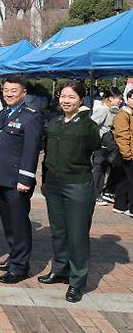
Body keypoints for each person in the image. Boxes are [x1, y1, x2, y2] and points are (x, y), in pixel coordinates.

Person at [40, 81, 100, 303]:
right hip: (54, 185)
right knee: (59, 232)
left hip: (77, 186)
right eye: (63, 96)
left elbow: (94, 143)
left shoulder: (87, 124)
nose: (66, 100)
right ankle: (60, 269)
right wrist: (44, 181)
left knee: (77, 235)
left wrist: (84, 117)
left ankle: (77, 282)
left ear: (81, 100)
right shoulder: (54, 124)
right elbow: (47, 157)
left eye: (72, 97)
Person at [0, 75, 44, 284]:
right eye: (5, 90)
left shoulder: (31, 116)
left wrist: (26, 179)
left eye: (13, 90)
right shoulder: (3, 113)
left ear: (24, 93)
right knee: (8, 223)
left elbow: (31, 151)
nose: (9, 94)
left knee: (19, 224)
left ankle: (20, 267)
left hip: (17, 181)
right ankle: (14, 257)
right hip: (1, 177)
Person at [91, 87, 122, 205]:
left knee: (103, 169)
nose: (120, 101)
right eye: (118, 98)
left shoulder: (113, 110)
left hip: (108, 145)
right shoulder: (103, 110)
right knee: (98, 169)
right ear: (110, 98)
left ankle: (100, 193)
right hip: (101, 145)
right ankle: (94, 195)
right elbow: (92, 125)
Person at [112, 90, 133, 216]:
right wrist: (127, 153)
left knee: (125, 180)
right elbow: (122, 135)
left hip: (128, 152)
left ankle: (119, 205)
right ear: (127, 99)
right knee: (130, 181)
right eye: (132, 98)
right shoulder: (123, 114)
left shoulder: (130, 114)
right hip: (127, 152)